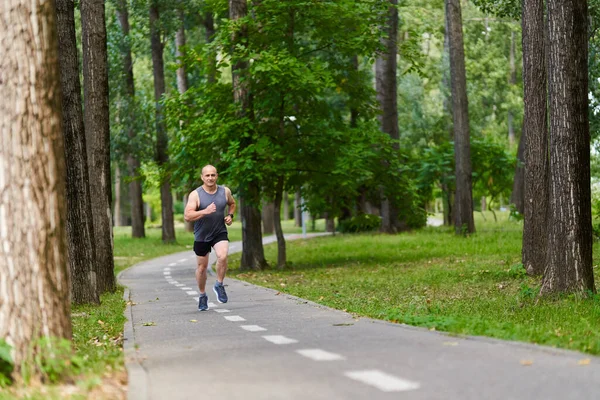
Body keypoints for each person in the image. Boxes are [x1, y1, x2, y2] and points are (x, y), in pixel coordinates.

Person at [184, 165, 236, 311]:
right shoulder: (196, 194)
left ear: (217, 176)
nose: (210, 178)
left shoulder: (225, 191)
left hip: (219, 232)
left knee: (223, 256)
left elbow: (232, 204)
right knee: (202, 268)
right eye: (207, 175)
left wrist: (230, 215)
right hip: (201, 235)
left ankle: (219, 284)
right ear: (202, 177)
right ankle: (202, 295)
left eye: (213, 175)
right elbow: (188, 216)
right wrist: (205, 211)